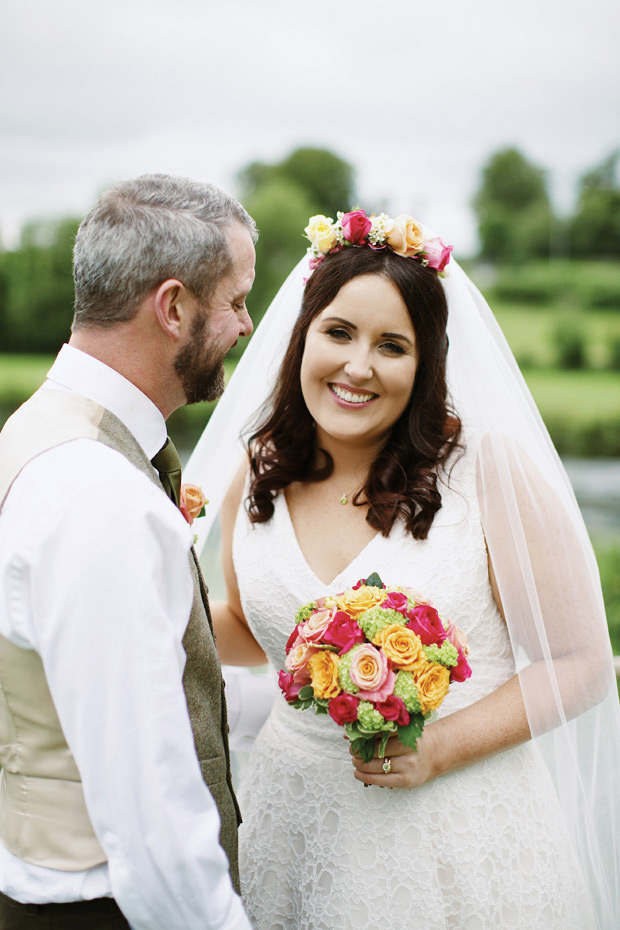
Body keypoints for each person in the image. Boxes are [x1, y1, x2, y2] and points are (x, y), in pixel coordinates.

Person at [186, 209, 620, 930]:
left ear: (426, 365)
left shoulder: (486, 476)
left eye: (392, 345)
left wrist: (439, 748)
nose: (358, 366)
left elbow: (578, 663)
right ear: (302, 338)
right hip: (292, 827)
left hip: (457, 843)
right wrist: (162, 595)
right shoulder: (254, 477)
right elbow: (244, 628)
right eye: (339, 333)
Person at [0, 174, 258, 930]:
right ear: (175, 307)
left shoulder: (36, 432)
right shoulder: (97, 492)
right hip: (99, 909)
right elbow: (150, 804)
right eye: (237, 299)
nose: (246, 325)